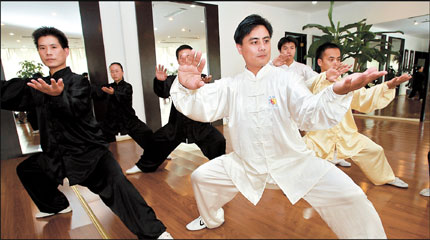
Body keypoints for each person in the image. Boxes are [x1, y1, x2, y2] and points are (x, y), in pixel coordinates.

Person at [170, 14, 394, 238]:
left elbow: (309, 112)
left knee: (352, 195)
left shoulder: (286, 80)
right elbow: (199, 105)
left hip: (294, 162)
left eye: (266, 41)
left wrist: (338, 91)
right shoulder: (231, 86)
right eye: (254, 41)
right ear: (240, 47)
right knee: (201, 178)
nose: (262, 47)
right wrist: (184, 85)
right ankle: (211, 218)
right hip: (245, 163)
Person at [0, 27, 172, 239]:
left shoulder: (78, 82)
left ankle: (156, 233)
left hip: (89, 155)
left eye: (54, 47)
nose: (48, 52)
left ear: (66, 51)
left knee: (120, 190)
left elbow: (75, 109)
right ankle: (56, 205)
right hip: (56, 157)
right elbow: (7, 92)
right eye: (42, 48)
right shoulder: (38, 85)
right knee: (28, 170)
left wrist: (56, 96)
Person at [302, 42, 411, 189]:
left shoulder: (346, 83)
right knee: (299, 157)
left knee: (375, 150)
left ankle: (386, 178)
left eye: (338, 59)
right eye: (331, 59)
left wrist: (389, 85)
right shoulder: (315, 82)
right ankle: (296, 184)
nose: (336, 63)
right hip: (318, 138)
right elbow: (303, 89)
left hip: (347, 135)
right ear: (320, 62)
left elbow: (363, 98)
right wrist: (326, 76)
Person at [126, 44, 226, 174]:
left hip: (199, 124)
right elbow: (162, 93)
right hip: (176, 124)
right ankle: (143, 166)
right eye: (181, 57)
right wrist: (160, 81)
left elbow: (209, 96)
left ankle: (222, 168)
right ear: (178, 60)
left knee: (218, 140)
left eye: (188, 56)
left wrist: (205, 85)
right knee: (156, 140)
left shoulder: (201, 77)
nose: (185, 59)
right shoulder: (172, 80)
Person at [272, 37, 352, 167]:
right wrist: (272, 65)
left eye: (292, 48)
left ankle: (333, 155)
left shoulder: (302, 68)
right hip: (279, 104)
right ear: (279, 50)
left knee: (322, 131)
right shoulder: (273, 67)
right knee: (281, 133)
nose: (288, 51)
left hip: (297, 104)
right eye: (285, 48)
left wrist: (331, 75)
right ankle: (282, 159)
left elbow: (317, 79)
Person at [91, 62, 154, 151]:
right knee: (100, 135)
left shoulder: (127, 87)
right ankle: (106, 159)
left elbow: (124, 96)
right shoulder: (108, 87)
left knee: (146, 132)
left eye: (117, 71)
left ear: (122, 72)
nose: (114, 74)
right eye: (112, 72)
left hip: (127, 119)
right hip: (112, 121)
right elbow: (98, 93)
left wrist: (113, 93)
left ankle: (157, 153)